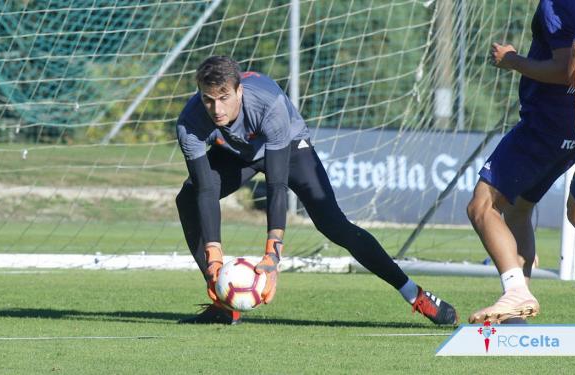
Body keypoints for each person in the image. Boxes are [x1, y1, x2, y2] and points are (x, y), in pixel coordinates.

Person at [175, 55, 458, 325]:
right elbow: (206, 191)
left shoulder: (267, 103)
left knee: (333, 224)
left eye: (224, 98)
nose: (217, 110)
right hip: (237, 154)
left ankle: (415, 294)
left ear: (239, 91)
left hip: (289, 147)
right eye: (208, 100)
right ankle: (224, 303)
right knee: (188, 198)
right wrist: (214, 256)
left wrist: (272, 255)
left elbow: (276, 184)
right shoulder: (190, 122)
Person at [467, 0, 575, 324]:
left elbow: (565, 71)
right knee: (521, 210)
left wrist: (512, 60)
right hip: (573, 126)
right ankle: (515, 308)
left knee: (482, 205)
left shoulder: (559, 4)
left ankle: (516, 291)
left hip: (549, 123)